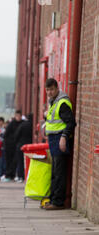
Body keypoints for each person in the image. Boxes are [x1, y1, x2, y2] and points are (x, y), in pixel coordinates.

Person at [43, 78, 76, 210]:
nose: (49, 92)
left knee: (59, 171)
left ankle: (58, 202)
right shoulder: (54, 102)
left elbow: (71, 123)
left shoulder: (62, 103)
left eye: (51, 89)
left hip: (59, 139)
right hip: (53, 139)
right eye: (47, 90)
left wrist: (64, 137)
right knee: (55, 171)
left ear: (57, 88)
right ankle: (53, 199)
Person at [1, 110, 23, 182]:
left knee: (14, 161)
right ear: (15, 116)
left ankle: (12, 174)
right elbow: (6, 134)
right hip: (9, 145)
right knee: (8, 160)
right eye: (17, 116)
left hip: (16, 145)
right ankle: (8, 174)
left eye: (19, 116)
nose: (18, 117)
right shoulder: (12, 123)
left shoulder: (22, 123)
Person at [14, 113, 33, 182]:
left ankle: (20, 176)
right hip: (30, 146)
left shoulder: (22, 125)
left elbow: (17, 135)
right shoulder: (32, 125)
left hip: (21, 145)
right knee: (29, 162)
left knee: (20, 161)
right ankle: (27, 175)